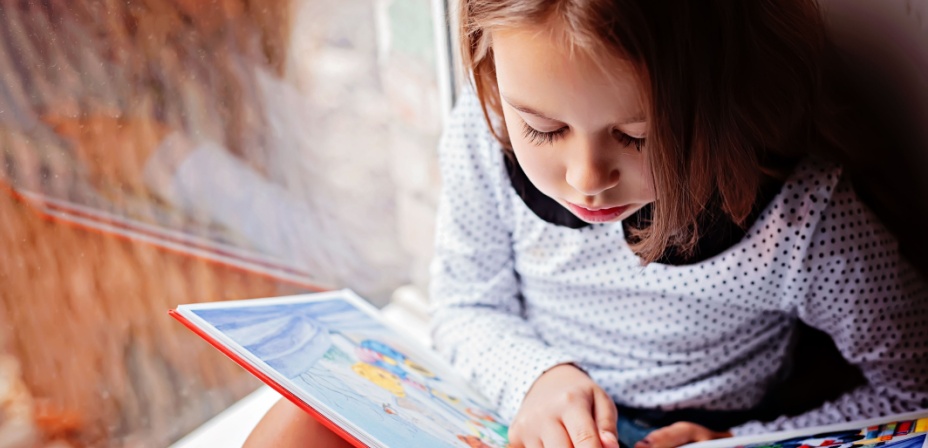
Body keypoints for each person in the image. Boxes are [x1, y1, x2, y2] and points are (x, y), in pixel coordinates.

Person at [245, 0, 928, 447]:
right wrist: (538, 378)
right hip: (519, 409)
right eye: (543, 129)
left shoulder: (808, 221)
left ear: (724, 100)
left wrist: (739, 445)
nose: (585, 177)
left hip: (689, 433)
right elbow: (465, 308)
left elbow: (912, 393)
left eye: (635, 137)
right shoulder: (485, 139)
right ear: (487, 74)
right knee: (294, 428)